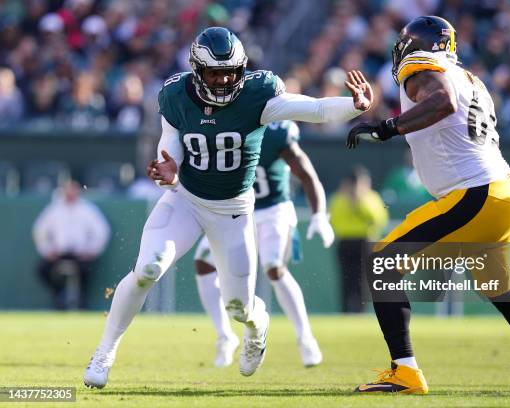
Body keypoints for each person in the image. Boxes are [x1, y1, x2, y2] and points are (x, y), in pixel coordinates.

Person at [83, 27, 372, 388]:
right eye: (214, 72)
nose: (222, 80)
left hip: (233, 210)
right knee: (147, 268)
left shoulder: (258, 93)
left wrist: (353, 106)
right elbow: (169, 148)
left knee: (239, 307)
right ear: (196, 70)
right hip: (185, 199)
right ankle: (105, 352)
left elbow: (313, 109)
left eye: (229, 72)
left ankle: (257, 324)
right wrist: (169, 170)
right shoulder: (175, 96)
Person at [346, 16, 510, 394]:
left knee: (382, 265)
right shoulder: (472, 79)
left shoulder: (420, 66)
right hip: (505, 193)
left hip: (475, 194)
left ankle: (404, 371)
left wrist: (387, 127)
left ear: (414, 45)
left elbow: (441, 101)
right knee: (499, 288)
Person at [193, 120, 334, 368]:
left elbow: (306, 174)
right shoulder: (222, 126)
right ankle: (225, 336)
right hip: (237, 210)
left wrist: (319, 214)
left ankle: (305, 338)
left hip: (273, 210)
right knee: (203, 263)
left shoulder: (276, 133)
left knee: (274, 268)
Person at [32, 180, 110, 310]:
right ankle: (59, 295)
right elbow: (39, 231)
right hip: (59, 254)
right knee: (42, 270)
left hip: (80, 255)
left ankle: (81, 301)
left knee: (88, 271)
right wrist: (48, 250)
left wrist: (91, 251)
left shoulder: (87, 210)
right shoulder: (54, 209)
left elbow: (102, 232)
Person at [329, 166, 388, 313]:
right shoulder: (339, 198)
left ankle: (361, 312)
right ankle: (345, 311)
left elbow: (379, 219)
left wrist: (359, 203)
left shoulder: (371, 197)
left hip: (365, 241)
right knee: (346, 278)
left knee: (364, 280)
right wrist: (349, 203)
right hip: (345, 242)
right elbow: (334, 220)